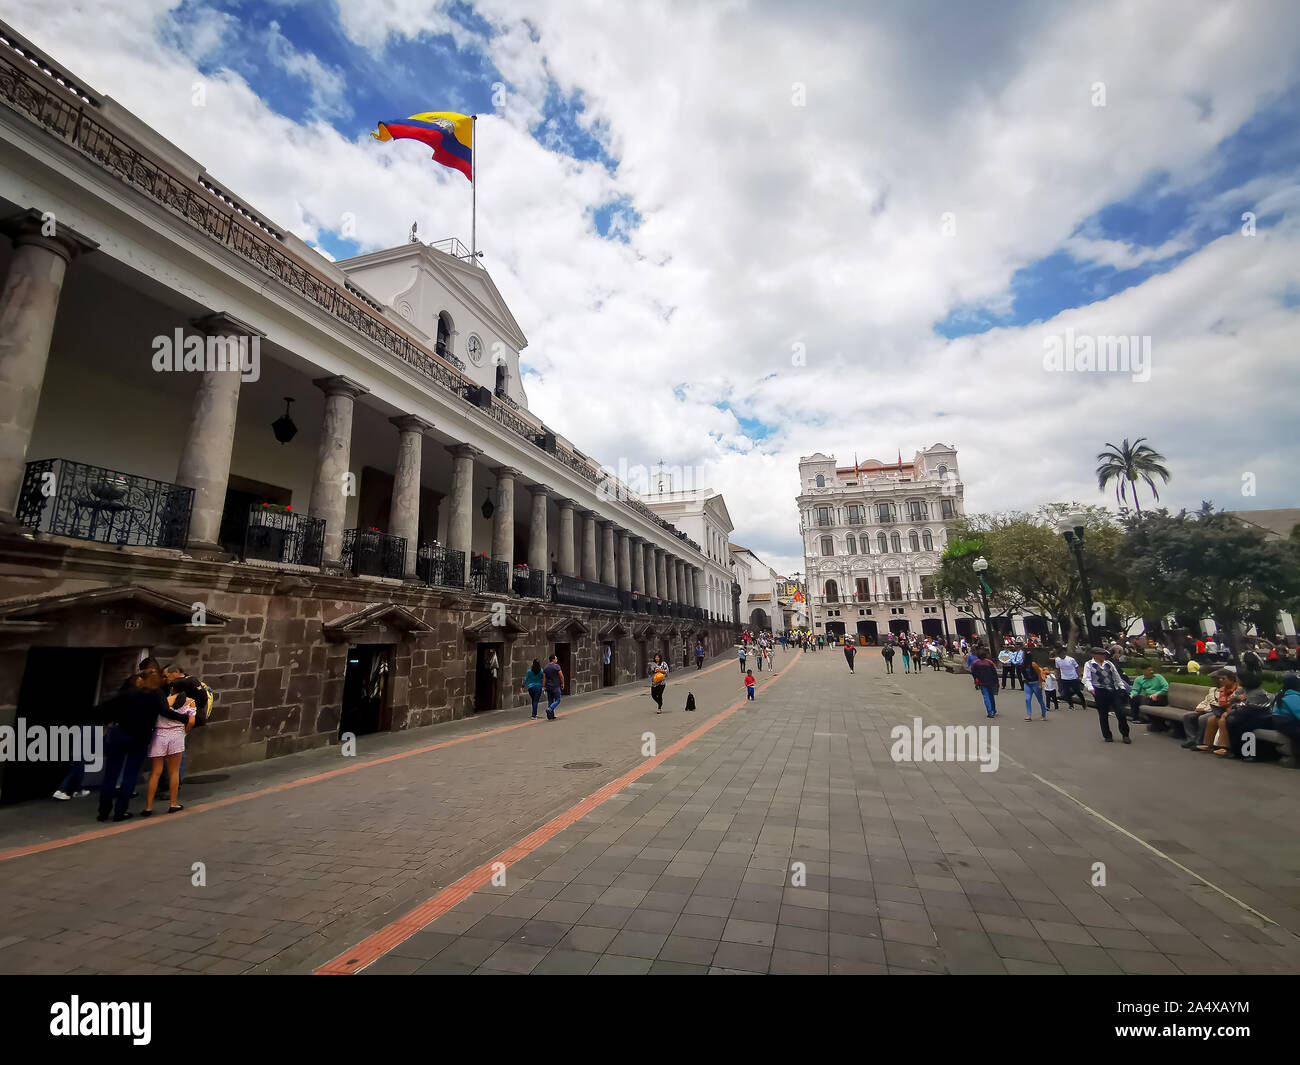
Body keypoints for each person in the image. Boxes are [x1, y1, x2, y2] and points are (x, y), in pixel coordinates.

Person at [96, 662, 191, 822]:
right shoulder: (156, 694)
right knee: (130, 775)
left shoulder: (128, 692)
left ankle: (103, 812)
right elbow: (165, 711)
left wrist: (110, 721)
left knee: (111, 774)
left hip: (119, 733)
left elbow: (106, 708)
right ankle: (120, 812)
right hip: (139, 737)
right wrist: (184, 718)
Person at [142, 685, 197, 816]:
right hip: (177, 736)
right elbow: (191, 721)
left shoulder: (163, 702)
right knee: (174, 772)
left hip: (160, 735)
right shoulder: (190, 701)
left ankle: (148, 807)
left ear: (172, 689)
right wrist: (185, 731)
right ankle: (173, 804)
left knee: (155, 772)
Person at [1228, 672, 1300, 761]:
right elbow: (1298, 713)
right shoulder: (1292, 697)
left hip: (1281, 724)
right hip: (1288, 725)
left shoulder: (1283, 693)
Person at [1082, 647, 1131, 743]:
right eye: (1102, 655)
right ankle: (1107, 735)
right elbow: (1086, 678)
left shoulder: (1109, 664)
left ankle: (1125, 734)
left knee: (1120, 713)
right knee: (1103, 714)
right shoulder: (1089, 665)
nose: (1104, 656)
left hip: (1113, 690)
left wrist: (1122, 687)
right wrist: (1091, 688)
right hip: (1100, 691)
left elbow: (1116, 676)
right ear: (1095, 655)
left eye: (1104, 655)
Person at [971, 648, 999, 718]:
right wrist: (997, 682)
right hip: (991, 682)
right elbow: (994, 673)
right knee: (991, 696)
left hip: (982, 682)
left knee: (986, 697)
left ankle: (990, 712)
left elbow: (974, 674)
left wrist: (976, 681)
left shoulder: (976, 664)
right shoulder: (989, 663)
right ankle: (993, 709)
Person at [1022, 653, 1047, 720]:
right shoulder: (1022, 665)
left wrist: (1040, 684)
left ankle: (1043, 715)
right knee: (1027, 699)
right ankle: (1029, 715)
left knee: (1040, 700)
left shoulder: (1033, 664)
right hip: (1028, 683)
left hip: (1035, 683)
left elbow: (1039, 674)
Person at [542, 654, 564, 720]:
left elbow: (544, 678)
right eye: (556, 659)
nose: (556, 660)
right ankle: (550, 709)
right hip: (555, 685)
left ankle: (550, 715)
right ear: (553, 659)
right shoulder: (556, 666)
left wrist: (543, 686)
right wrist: (562, 683)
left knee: (550, 700)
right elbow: (561, 675)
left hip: (548, 686)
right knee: (558, 699)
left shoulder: (546, 668)